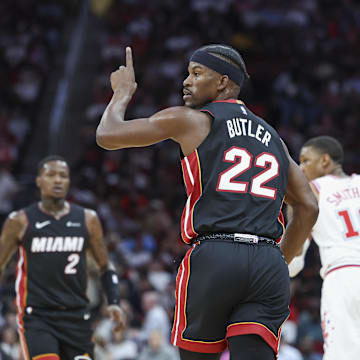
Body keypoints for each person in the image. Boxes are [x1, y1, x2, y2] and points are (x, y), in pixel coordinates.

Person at [96, 45, 318, 360]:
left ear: (223, 83)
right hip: (268, 264)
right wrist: (281, 259)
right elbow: (308, 205)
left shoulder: (193, 120)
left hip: (216, 256)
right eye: (188, 73)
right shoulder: (275, 139)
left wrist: (122, 92)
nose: (186, 81)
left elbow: (108, 134)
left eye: (197, 73)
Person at [0, 155, 126, 360]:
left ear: (69, 182)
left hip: (77, 316)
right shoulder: (20, 221)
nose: (58, 180)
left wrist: (113, 301)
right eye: (51, 175)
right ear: (39, 181)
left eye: (63, 176)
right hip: (38, 317)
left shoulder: (88, 219)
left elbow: (104, 265)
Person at [288, 136, 360, 360]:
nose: (301, 168)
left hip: (344, 276)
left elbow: (294, 263)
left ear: (325, 161)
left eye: (306, 161)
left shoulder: (309, 192)